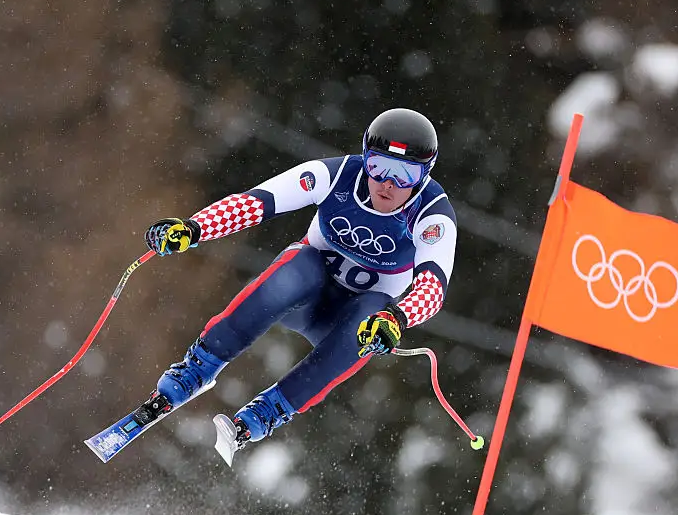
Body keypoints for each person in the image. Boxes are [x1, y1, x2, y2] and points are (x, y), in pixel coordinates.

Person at [142, 108, 458, 464]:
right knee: (303, 263)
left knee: (375, 310)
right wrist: (194, 229)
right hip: (303, 299)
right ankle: (199, 367)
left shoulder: (433, 214)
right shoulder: (338, 174)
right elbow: (258, 202)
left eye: (404, 174)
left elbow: (433, 285)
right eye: (379, 167)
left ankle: (269, 411)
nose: (387, 183)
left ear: (423, 177)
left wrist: (398, 318)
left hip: (347, 325)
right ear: (365, 159)